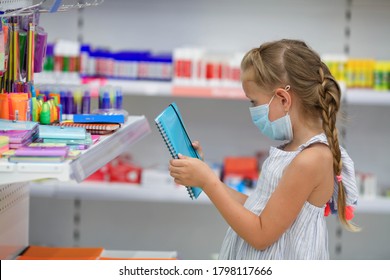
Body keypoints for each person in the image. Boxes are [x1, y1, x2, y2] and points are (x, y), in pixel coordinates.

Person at [169, 39, 359, 259]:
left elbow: (261, 235)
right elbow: (256, 207)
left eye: (253, 102)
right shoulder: (292, 150)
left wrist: (208, 182)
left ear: (283, 99)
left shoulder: (312, 159)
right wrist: (207, 178)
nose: (252, 110)